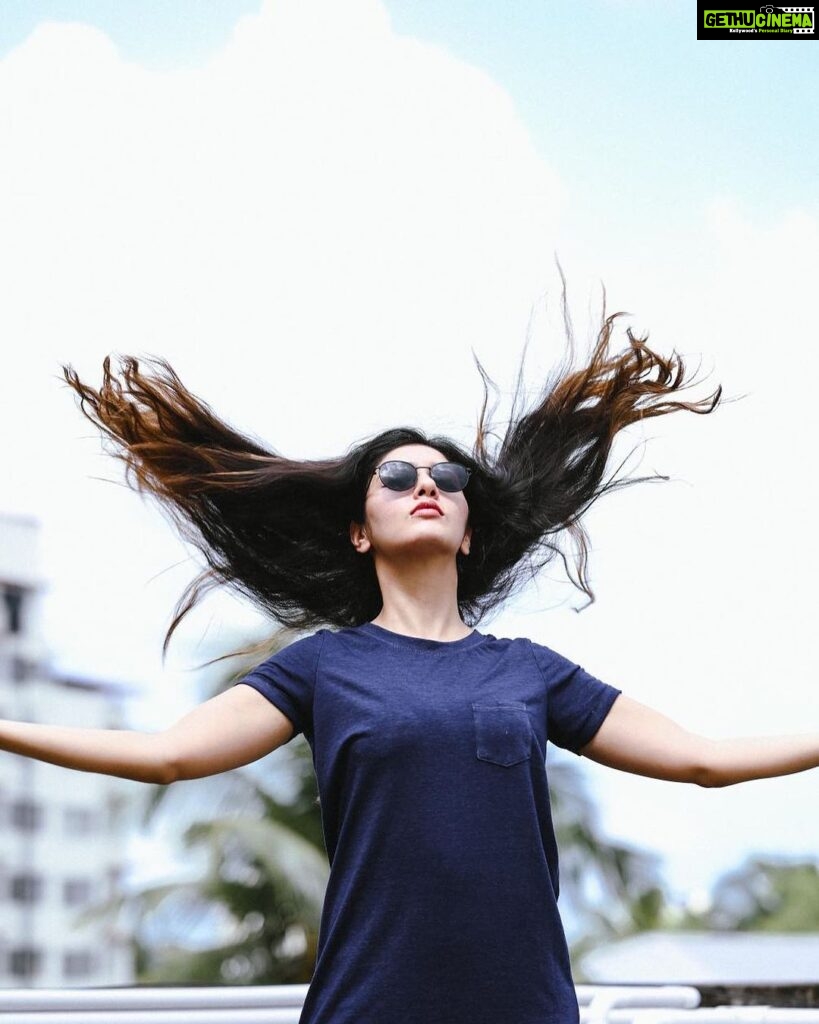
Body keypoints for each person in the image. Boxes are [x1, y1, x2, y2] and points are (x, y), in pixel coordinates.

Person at [2, 304, 818, 1024]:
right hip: (371, 1005)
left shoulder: (530, 672)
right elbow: (167, 756)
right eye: (396, 476)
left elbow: (706, 763)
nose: (424, 483)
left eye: (446, 477)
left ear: (468, 530)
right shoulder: (322, 669)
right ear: (360, 530)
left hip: (525, 1008)